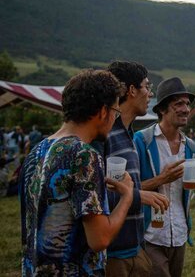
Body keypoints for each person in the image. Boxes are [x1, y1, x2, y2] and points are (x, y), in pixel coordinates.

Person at [20, 70, 134, 276]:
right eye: (115, 112)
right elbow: (100, 239)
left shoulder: (37, 150)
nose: (114, 119)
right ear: (102, 111)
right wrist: (127, 195)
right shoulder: (84, 155)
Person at [103, 61, 169, 276]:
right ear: (131, 90)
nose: (150, 94)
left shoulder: (128, 134)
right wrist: (142, 196)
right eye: (147, 87)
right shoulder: (105, 136)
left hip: (135, 247)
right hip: (113, 254)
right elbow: (96, 195)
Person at [134, 77, 195, 277]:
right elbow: (127, 189)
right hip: (150, 232)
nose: (186, 109)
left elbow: (186, 191)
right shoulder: (142, 141)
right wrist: (162, 179)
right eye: (178, 103)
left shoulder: (191, 146)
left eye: (187, 104)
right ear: (162, 109)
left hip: (179, 232)